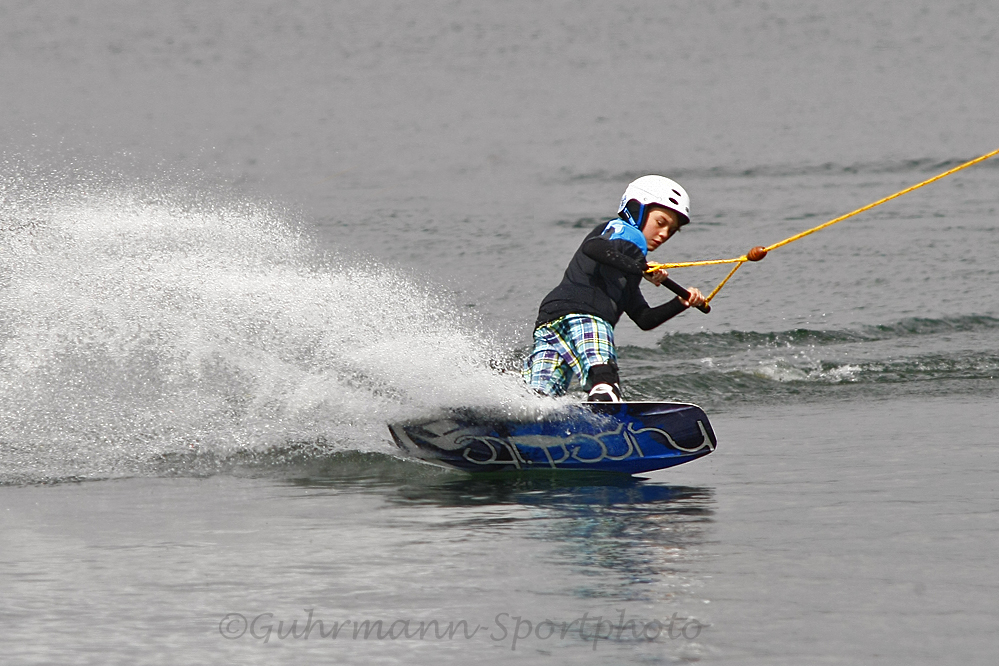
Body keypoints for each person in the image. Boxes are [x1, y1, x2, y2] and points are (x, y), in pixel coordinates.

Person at [523, 175, 707, 402]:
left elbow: (644, 318)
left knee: (540, 396)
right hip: (583, 313)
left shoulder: (627, 268)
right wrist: (639, 267)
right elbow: (593, 247)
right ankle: (604, 389)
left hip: (550, 318)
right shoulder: (625, 231)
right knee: (601, 367)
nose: (664, 234)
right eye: (661, 223)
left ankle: (523, 412)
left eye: (671, 231)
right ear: (637, 209)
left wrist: (681, 302)